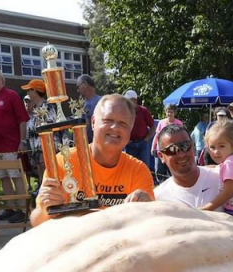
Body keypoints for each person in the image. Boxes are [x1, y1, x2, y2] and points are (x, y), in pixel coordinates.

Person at [31, 94, 154, 227]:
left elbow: (149, 226)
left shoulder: (138, 170)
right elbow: (36, 221)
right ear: (94, 122)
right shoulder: (62, 162)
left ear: (130, 129)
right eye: (108, 120)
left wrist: (148, 208)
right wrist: (44, 209)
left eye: (123, 123)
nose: (115, 127)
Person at [0, 66, 30, 224]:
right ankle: (11, 208)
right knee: (3, 177)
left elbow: (22, 119)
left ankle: (23, 209)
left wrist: (22, 141)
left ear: (2, 79)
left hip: (10, 145)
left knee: (15, 176)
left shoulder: (11, 95)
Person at [154, 124, 221, 209]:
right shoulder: (159, 198)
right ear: (161, 156)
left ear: (193, 147)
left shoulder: (222, 178)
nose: (181, 154)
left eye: (185, 146)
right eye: (173, 149)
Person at [21, 79, 56, 189]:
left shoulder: (48, 107)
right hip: (36, 152)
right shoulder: (35, 110)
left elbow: (51, 126)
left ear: (35, 91)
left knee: (49, 177)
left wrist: (42, 152)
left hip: (46, 151)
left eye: (29, 90)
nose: (27, 93)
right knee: (42, 180)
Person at [151, 103, 183, 183]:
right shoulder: (161, 123)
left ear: (175, 113)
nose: (169, 114)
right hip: (160, 149)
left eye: (171, 112)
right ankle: (161, 184)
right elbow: (157, 136)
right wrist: (153, 147)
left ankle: (172, 184)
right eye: (168, 112)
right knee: (159, 169)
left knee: (172, 168)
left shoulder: (178, 123)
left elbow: (182, 137)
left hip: (173, 149)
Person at [123, 90, 154, 170]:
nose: (127, 103)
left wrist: (146, 139)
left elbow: (152, 127)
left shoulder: (144, 111)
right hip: (130, 144)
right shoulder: (125, 112)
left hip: (142, 144)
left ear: (135, 100)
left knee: (144, 167)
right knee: (130, 168)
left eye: (129, 100)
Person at [76, 74, 101, 140]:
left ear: (85, 84)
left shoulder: (101, 102)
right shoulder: (81, 105)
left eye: (78, 86)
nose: (78, 90)